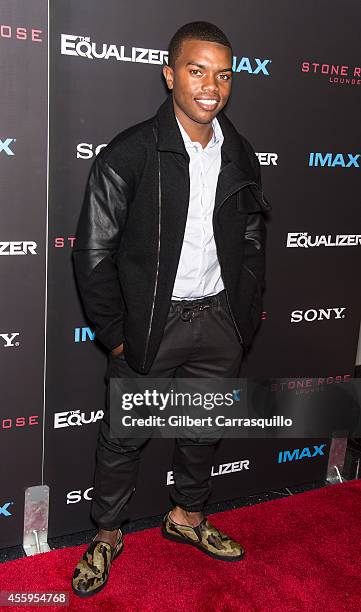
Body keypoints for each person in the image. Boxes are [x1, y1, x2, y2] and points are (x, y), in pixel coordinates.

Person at [71, 21, 271, 597]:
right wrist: (115, 335)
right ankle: (107, 534)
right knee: (124, 437)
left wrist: (243, 316)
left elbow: (254, 241)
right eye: (197, 69)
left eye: (223, 74)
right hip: (147, 328)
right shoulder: (130, 152)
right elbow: (93, 251)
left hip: (217, 321)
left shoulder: (240, 154)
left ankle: (186, 517)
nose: (212, 85)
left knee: (203, 428)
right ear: (170, 75)